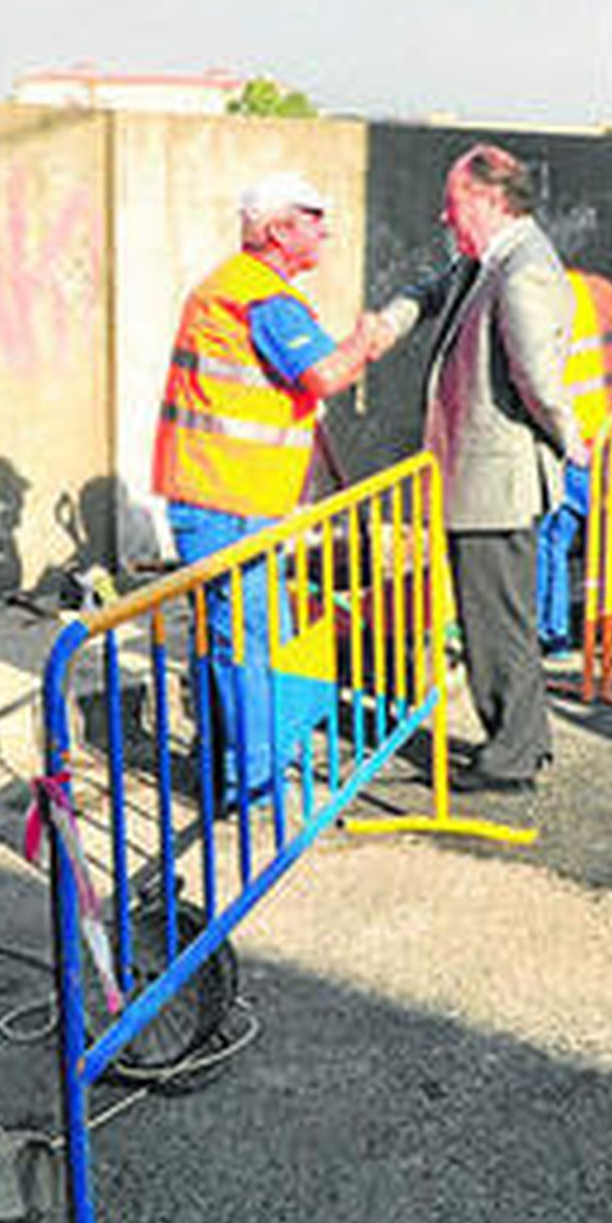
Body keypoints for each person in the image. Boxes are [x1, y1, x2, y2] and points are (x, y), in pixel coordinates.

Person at [151, 171, 383, 804]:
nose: (325, 229)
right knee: (243, 641)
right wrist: (365, 338)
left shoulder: (237, 289)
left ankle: (225, 764)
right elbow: (327, 374)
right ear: (279, 229)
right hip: (228, 499)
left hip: (224, 494)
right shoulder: (260, 297)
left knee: (229, 635)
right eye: (314, 217)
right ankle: (248, 784)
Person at [374, 144, 584, 792]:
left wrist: (568, 439)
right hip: (480, 475)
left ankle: (512, 756)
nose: (444, 216)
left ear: (492, 200)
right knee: (497, 615)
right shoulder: (487, 260)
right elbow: (432, 289)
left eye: (454, 201)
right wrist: (389, 322)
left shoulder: (522, 269)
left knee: (496, 619)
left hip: (497, 476)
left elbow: (538, 379)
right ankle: (522, 741)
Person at [535, 267, 612, 656]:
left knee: (553, 534)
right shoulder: (603, 289)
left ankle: (552, 634)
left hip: (574, 435)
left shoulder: (542, 296)